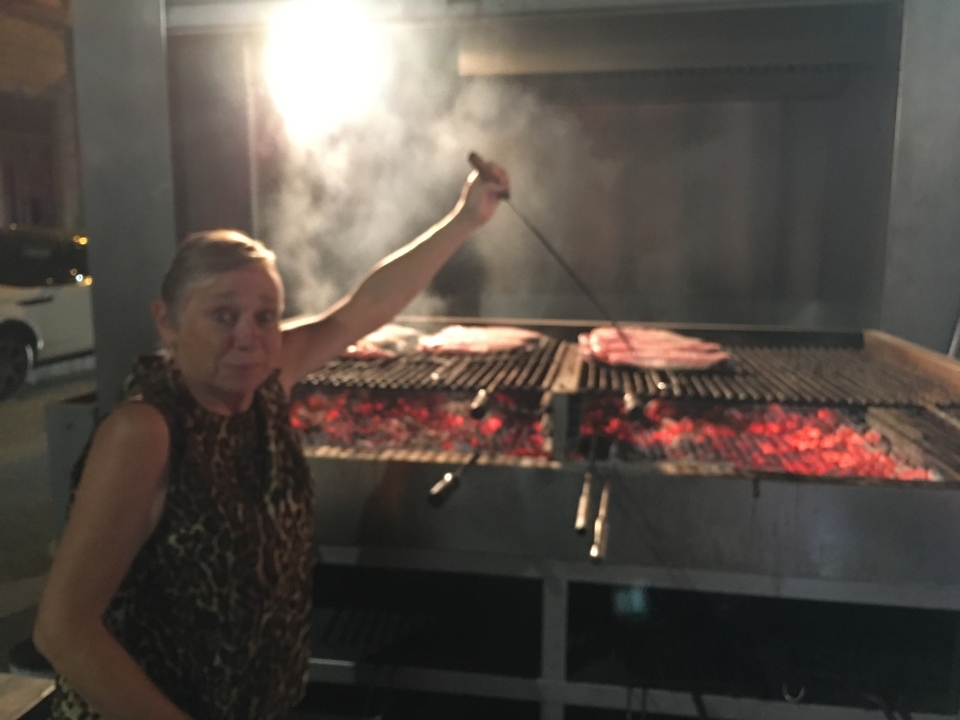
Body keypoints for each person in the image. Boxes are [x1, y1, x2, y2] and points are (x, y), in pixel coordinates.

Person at [33, 162, 510, 720]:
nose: (249, 338)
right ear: (167, 322)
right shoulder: (145, 432)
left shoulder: (265, 385)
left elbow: (366, 309)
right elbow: (62, 630)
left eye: (266, 317)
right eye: (223, 315)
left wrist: (463, 220)